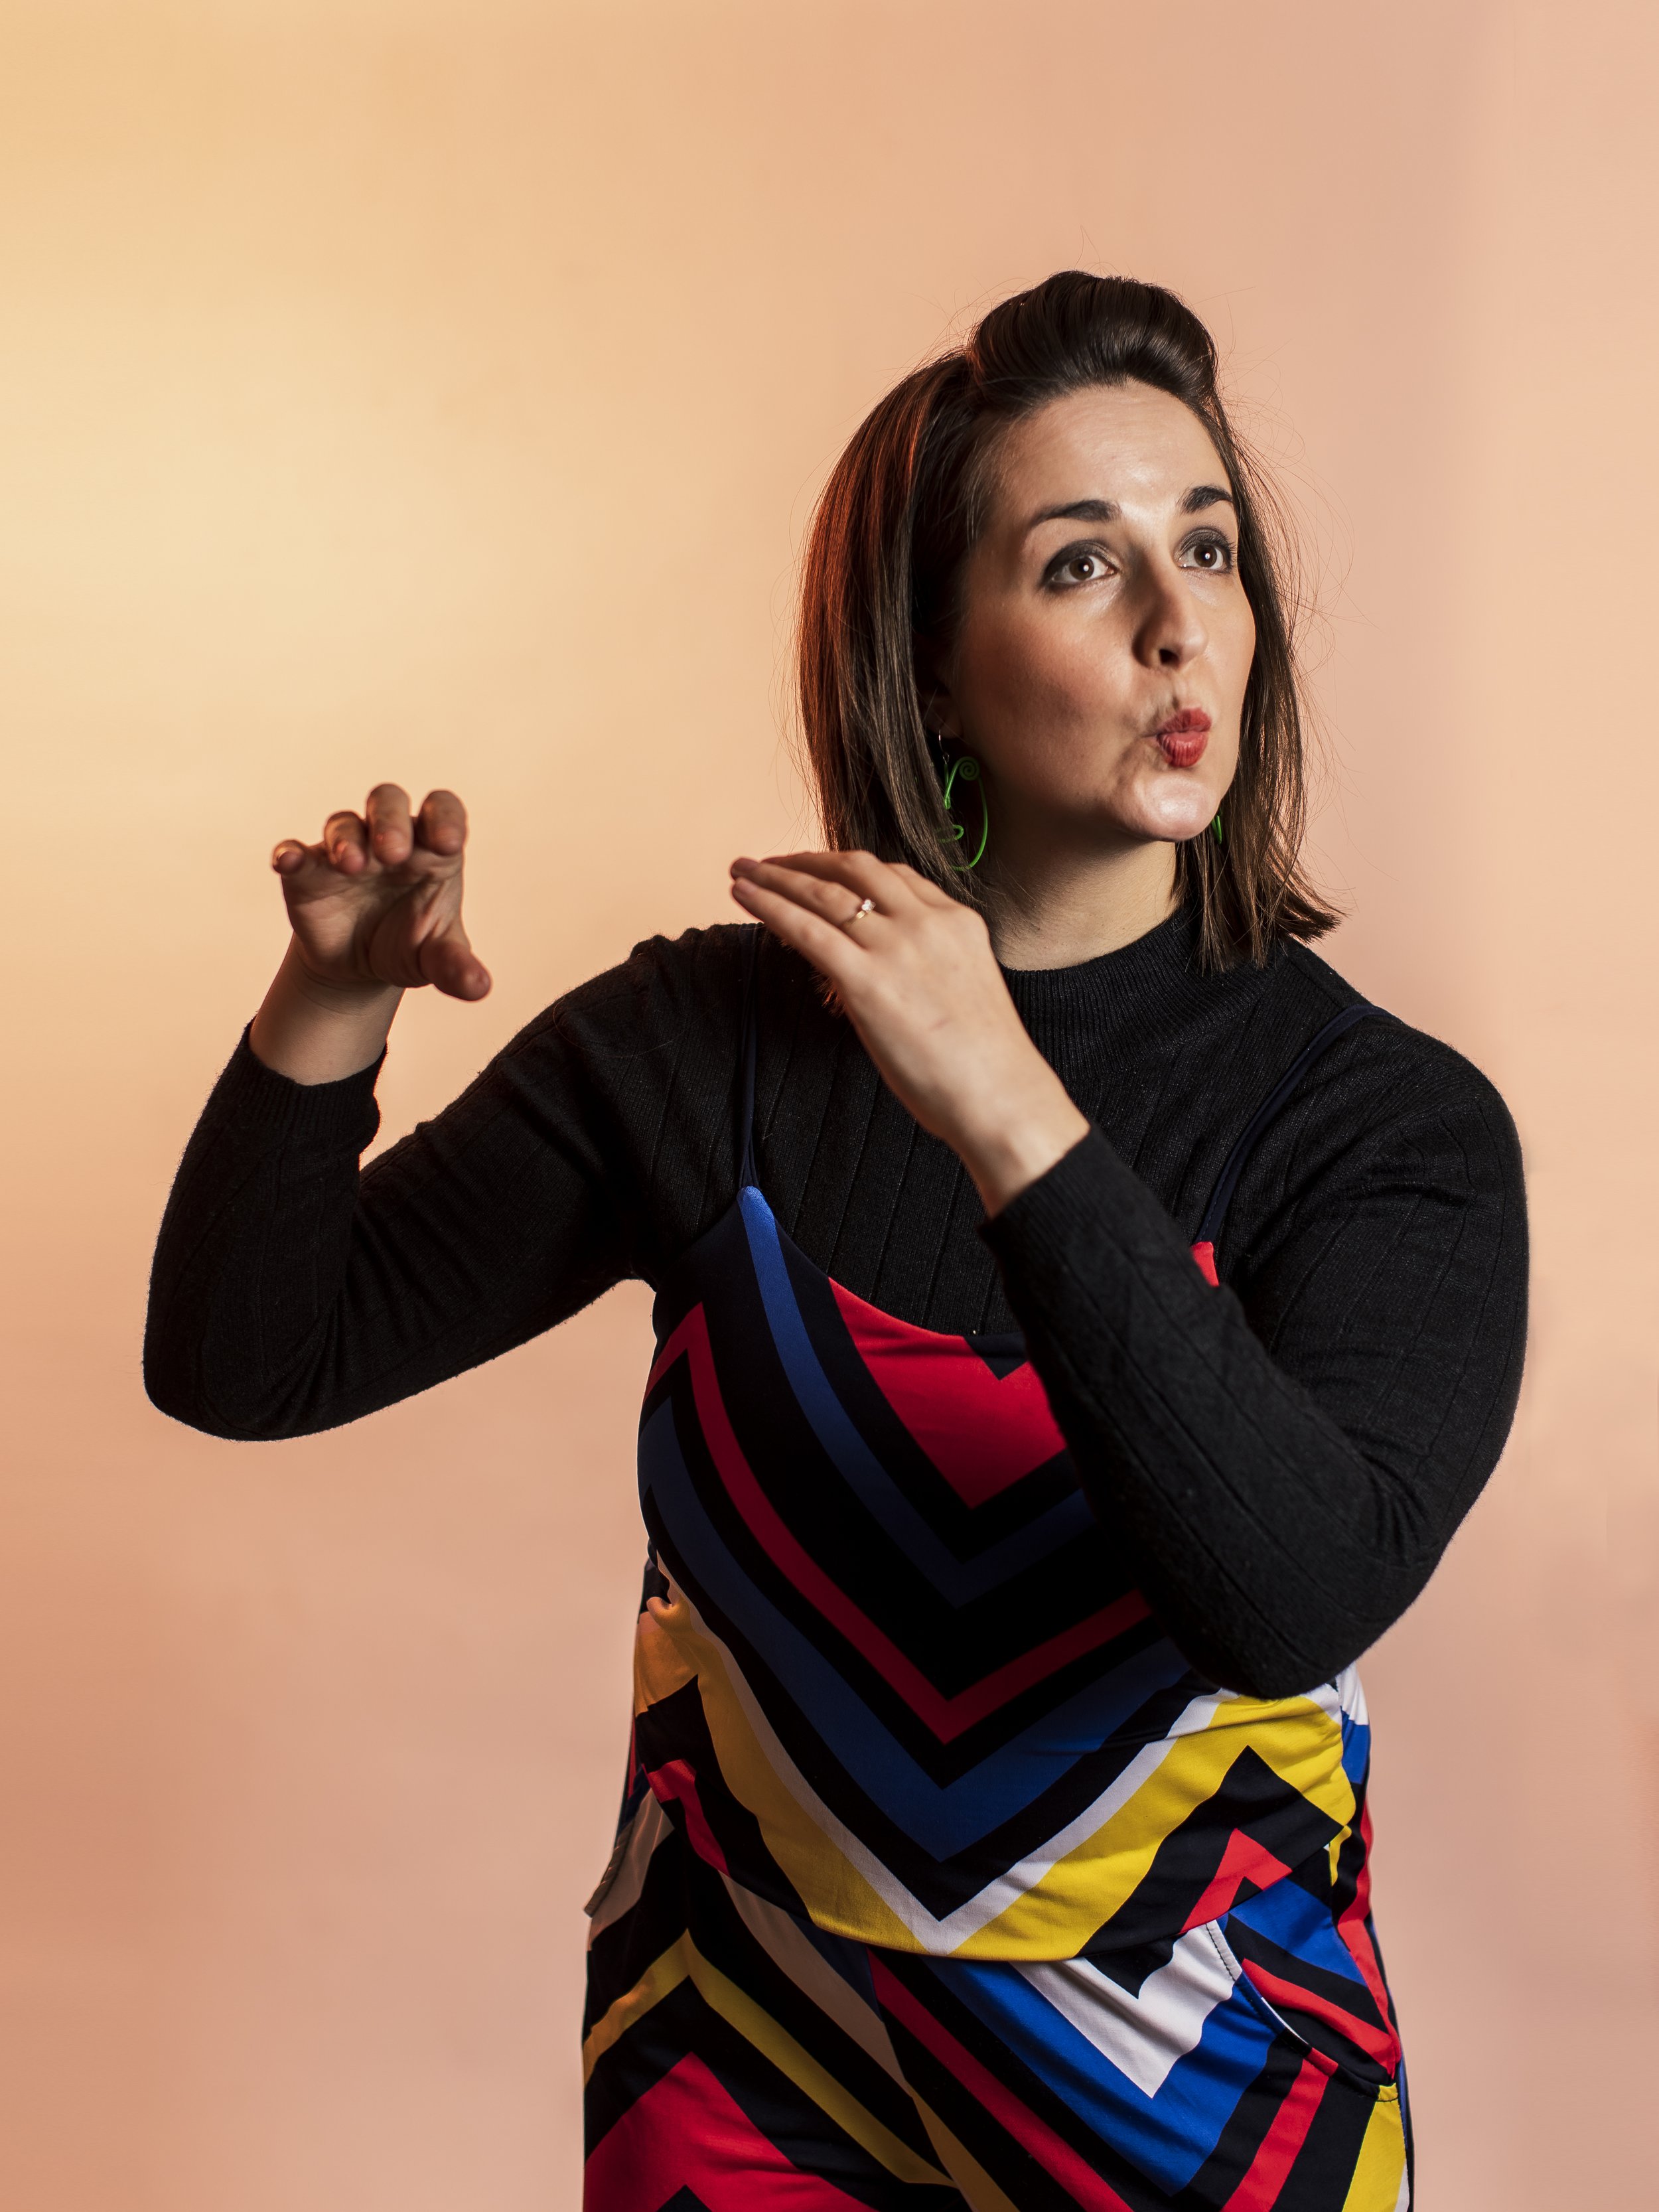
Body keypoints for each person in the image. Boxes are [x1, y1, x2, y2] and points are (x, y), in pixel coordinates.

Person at [146, 272, 1526, 2211]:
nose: (1173, 618)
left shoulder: (1386, 1129)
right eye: (1077, 564)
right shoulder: (709, 1047)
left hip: (1205, 2088)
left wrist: (1003, 1110)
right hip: (738, 2052)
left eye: (1205, 546)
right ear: (929, 658)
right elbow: (245, 1361)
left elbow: (1292, 1589)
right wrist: (324, 1017)